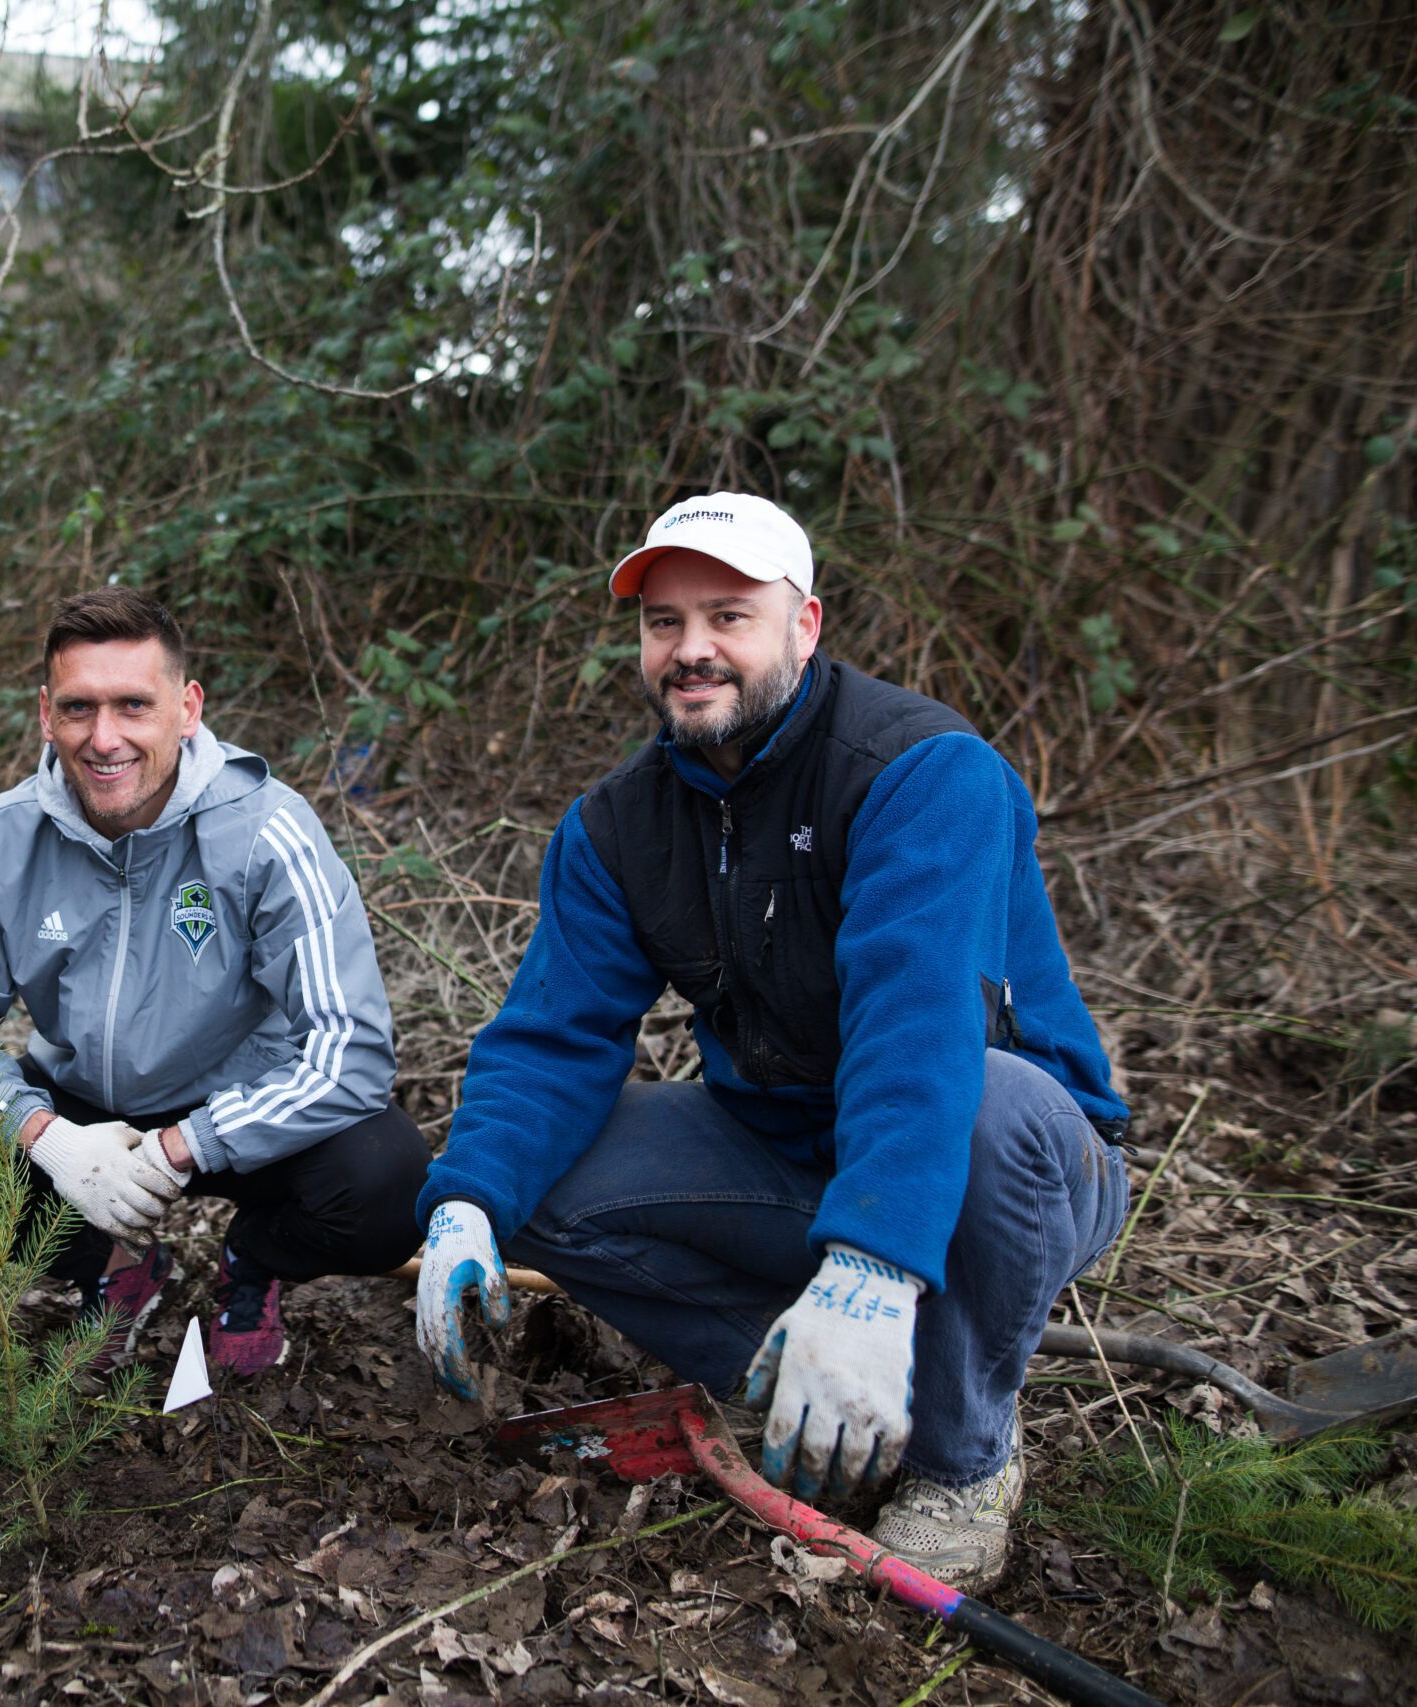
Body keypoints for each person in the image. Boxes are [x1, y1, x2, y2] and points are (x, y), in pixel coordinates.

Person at [414, 493, 1131, 1583]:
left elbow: (917, 1027)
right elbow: (553, 1038)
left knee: (989, 1098)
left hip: (1006, 1162)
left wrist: (874, 1267)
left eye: (728, 616)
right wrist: (465, 1204)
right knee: (542, 1180)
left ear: (804, 626)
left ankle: (960, 1455)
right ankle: (813, 1386)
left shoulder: (922, 772)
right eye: (663, 622)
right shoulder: (616, 827)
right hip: (789, 1149)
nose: (691, 649)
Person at [0, 588, 430, 1376]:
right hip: (86, 1110)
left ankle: (252, 1260)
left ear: (186, 709)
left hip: (242, 1108)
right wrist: (50, 1142)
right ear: (46, 714)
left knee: (389, 1185)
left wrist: (184, 1146)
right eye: (80, 708)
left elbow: (351, 1049)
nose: (104, 737)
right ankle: (111, 1263)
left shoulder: (266, 832)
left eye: (133, 705)